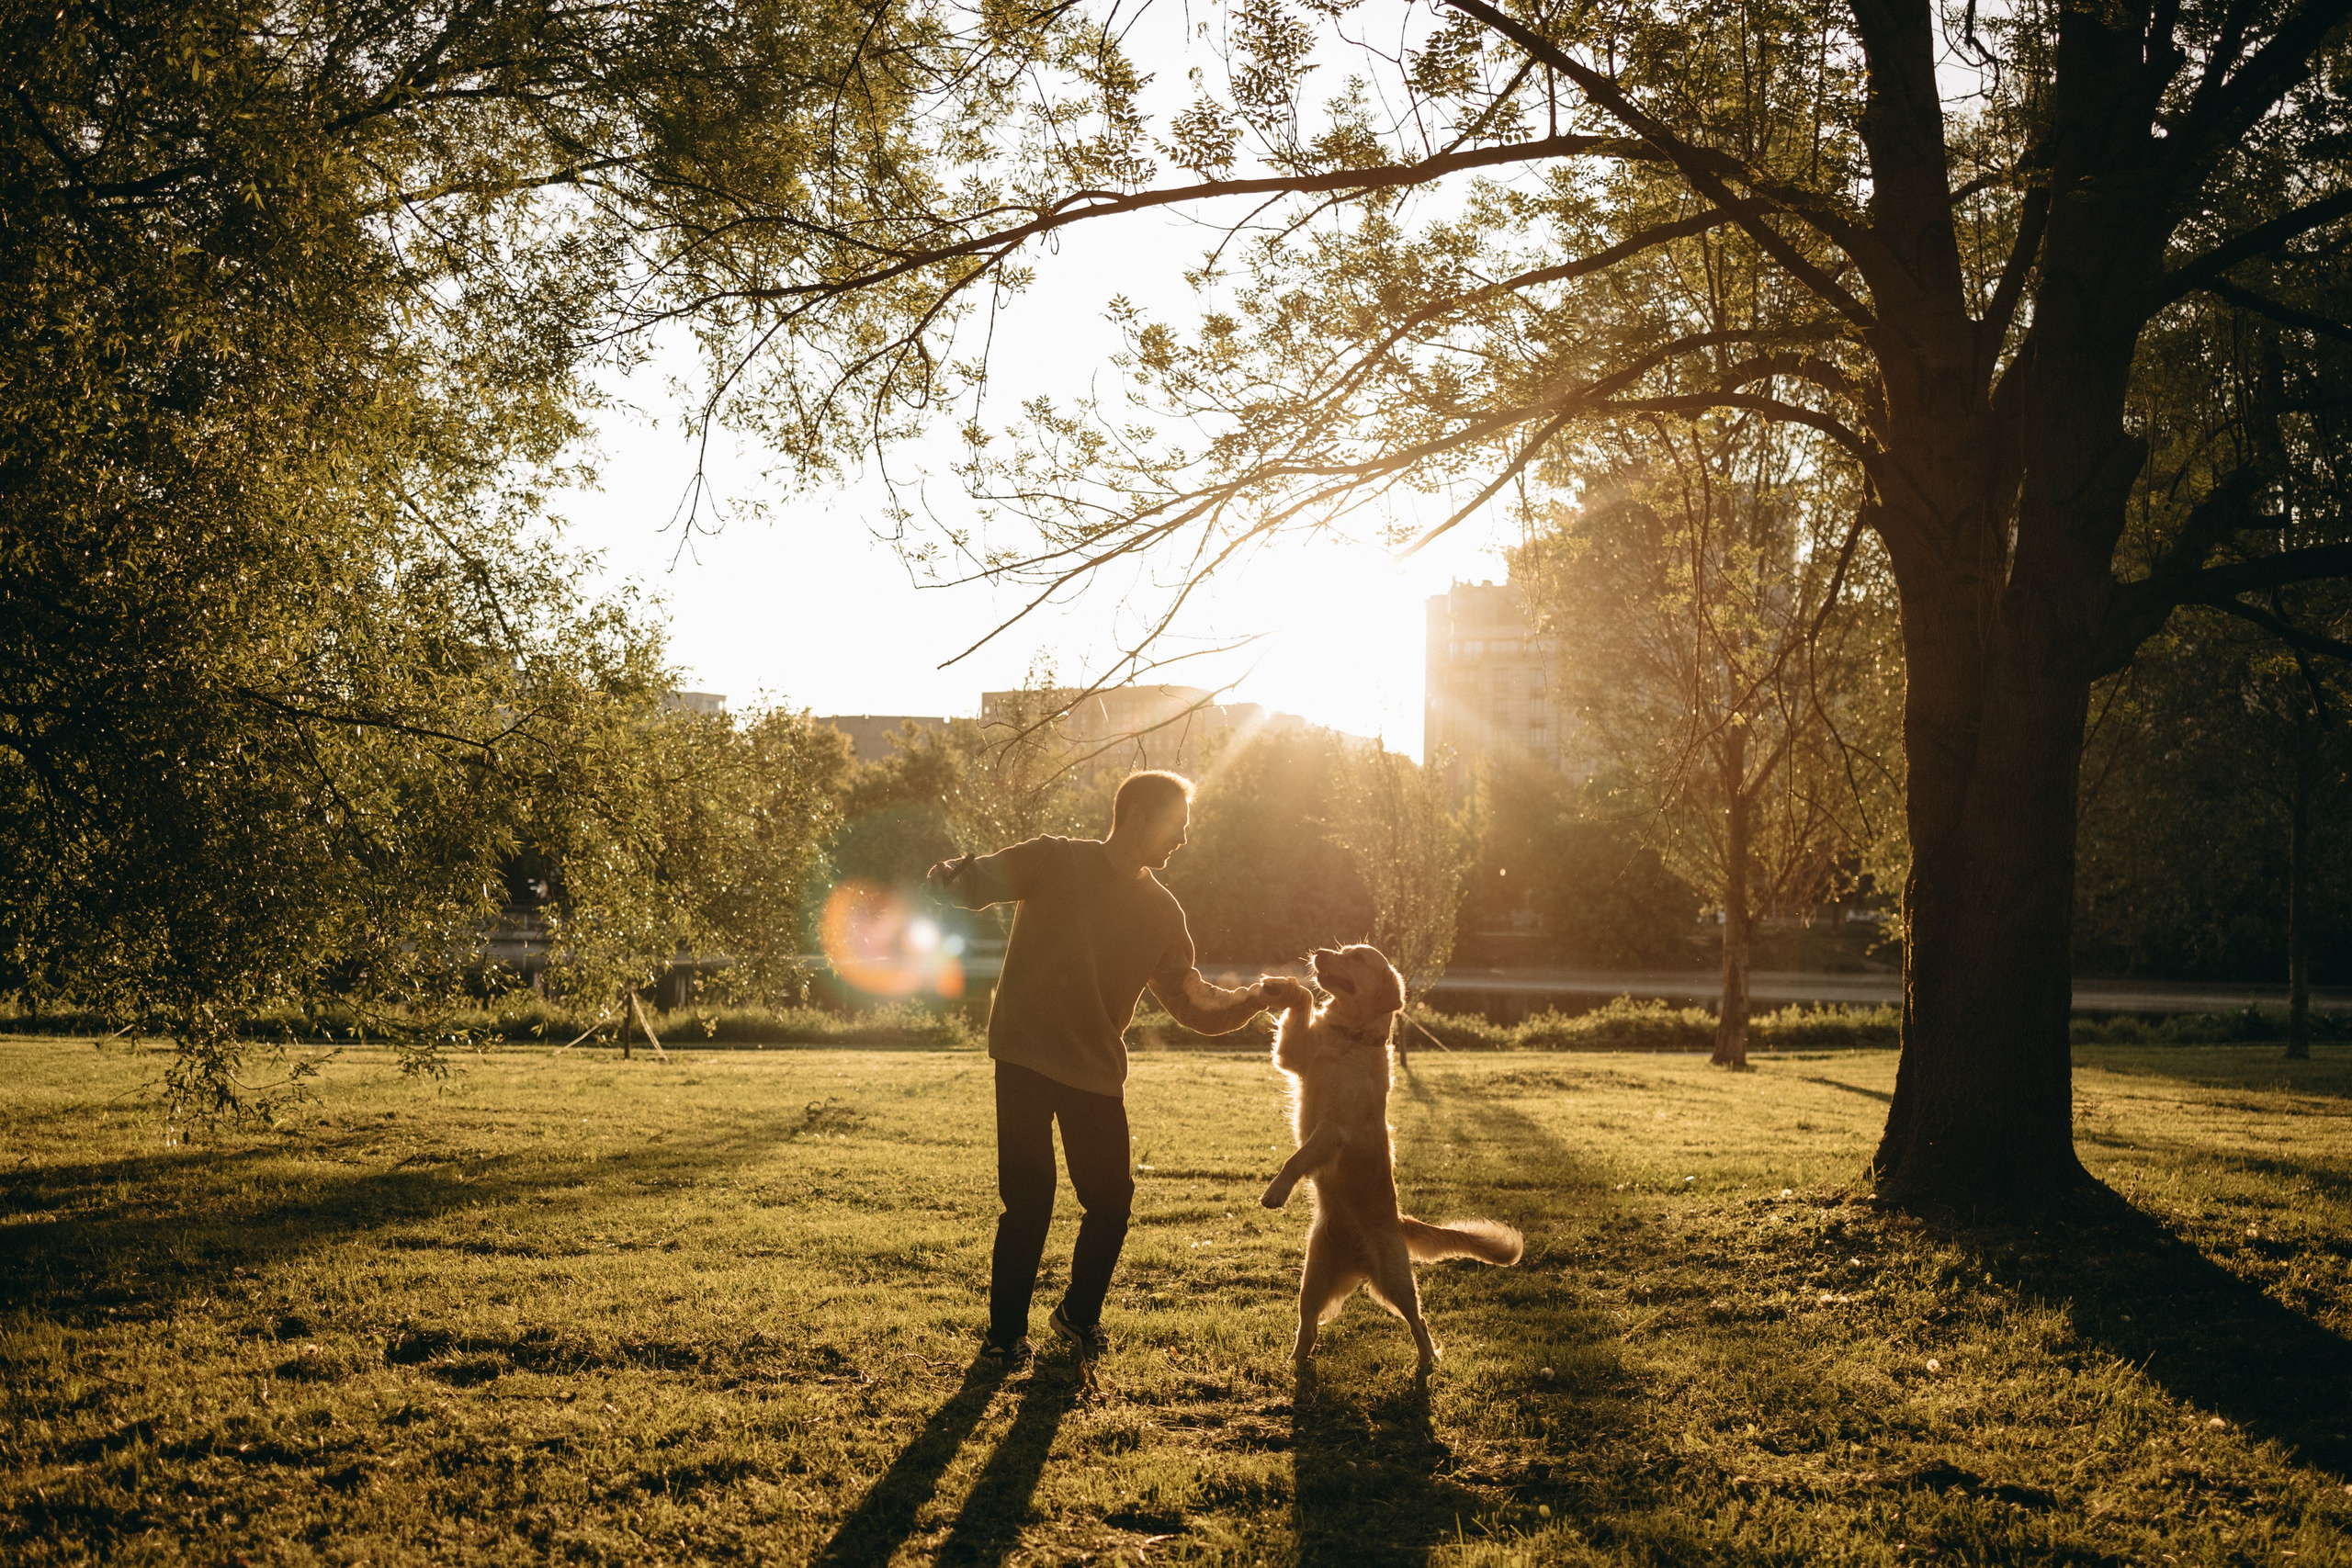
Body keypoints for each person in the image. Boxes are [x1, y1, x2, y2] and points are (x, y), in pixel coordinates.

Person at [927, 769, 1312, 1369]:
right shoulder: (1054, 859)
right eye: (1175, 827)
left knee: (1110, 1200)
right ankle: (1005, 1337)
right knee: (1030, 1198)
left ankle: (1078, 1316)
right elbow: (978, 882)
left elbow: (1193, 1003)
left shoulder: (1163, 913)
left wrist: (1258, 997)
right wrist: (951, 876)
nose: (1181, 841)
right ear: (1136, 816)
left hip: (1094, 1071)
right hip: (1025, 1053)